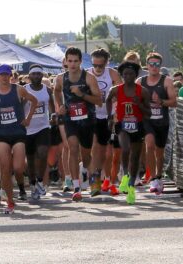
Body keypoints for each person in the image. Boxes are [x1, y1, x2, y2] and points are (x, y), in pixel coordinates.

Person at [0, 64, 37, 214]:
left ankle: (14, 188)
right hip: (1, 134)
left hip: (18, 132)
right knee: (5, 169)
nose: (5, 77)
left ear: (10, 75)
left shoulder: (18, 89)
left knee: (19, 167)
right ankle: (10, 202)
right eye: (2, 75)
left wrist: (28, 118)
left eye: (7, 74)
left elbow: (34, 101)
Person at [54, 46, 102, 201]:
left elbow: (99, 101)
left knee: (86, 154)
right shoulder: (61, 78)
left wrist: (82, 94)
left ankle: (86, 171)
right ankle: (76, 187)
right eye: (70, 61)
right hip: (70, 119)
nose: (72, 64)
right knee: (73, 147)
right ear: (66, 62)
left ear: (81, 61)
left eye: (75, 61)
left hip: (87, 120)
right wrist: (59, 106)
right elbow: (56, 90)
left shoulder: (89, 78)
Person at [106, 60, 151, 205]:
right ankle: (125, 176)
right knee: (125, 149)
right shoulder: (116, 90)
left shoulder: (142, 91)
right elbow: (107, 100)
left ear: (135, 75)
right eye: (125, 74)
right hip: (122, 124)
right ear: (122, 75)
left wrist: (139, 104)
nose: (128, 76)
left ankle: (131, 186)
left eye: (131, 74)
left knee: (135, 157)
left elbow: (148, 113)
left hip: (138, 125)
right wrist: (109, 117)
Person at [140, 52, 177, 195]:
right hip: (147, 120)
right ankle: (153, 179)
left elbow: (174, 102)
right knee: (149, 145)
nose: (154, 67)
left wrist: (161, 101)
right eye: (151, 64)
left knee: (159, 153)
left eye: (157, 64)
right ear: (147, 66)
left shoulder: (166, 81)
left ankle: (159, 176)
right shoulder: (140, 82)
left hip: (162, 121)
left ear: (160, 66)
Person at [88, 48, 121, 196]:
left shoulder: (112, 74)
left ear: (106, 63)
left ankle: (108, 180)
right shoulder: (87, 74)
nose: (97, 68)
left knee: (107, 153)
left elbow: (120, 94)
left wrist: (114, 111)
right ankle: (95, 182)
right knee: (95, 148)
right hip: (92, 115)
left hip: (108, 116)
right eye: (94, 65)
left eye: (100, 66)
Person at [24, 64, 54, 200]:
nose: (36, 76)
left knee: (42, 153)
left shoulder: (47, 90)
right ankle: (32, 183)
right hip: (27, 129)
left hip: (43, 127)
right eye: (33, 74)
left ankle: (40, 180)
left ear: (42, 76)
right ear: (29, 76)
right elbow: (19, 106)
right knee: (30, 159)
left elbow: (52, 107)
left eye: (38, 74)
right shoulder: (24, 90)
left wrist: (53, 116)